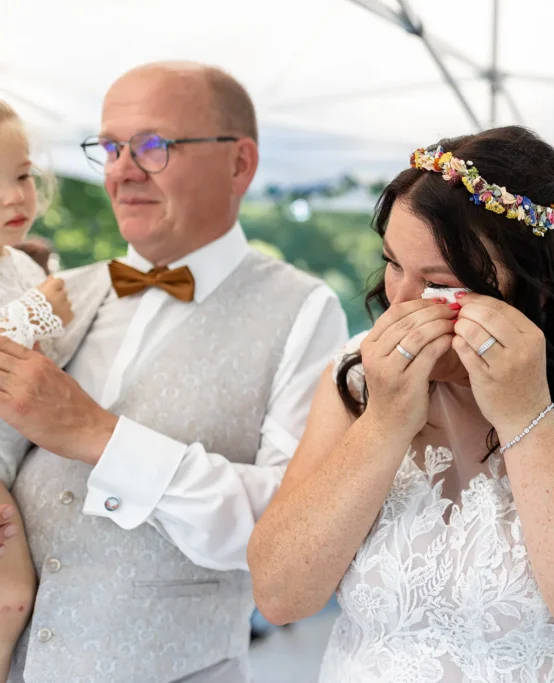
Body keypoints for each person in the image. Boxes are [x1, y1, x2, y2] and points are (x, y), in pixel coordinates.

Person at [248, 125, 554, 682]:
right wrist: (383, 423)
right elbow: (280, 595)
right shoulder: (359, 375)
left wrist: (526, 417)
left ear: (537, 285)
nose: (398, 305)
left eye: (438, 285)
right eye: (392, 264)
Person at [0, 62, 345, 683]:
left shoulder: (305, 311)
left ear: (240, 164)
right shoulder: (49, 300)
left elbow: (290, 535)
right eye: (110, 147)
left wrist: (101, 437)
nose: (122, 169)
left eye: (154, 146)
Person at [0, 100, 83, 680]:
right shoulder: (33, 292)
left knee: (14, 603)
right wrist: (32, 316)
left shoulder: (28, 269)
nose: (14, 197)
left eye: (23, 176)